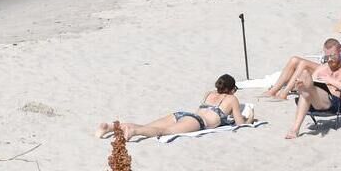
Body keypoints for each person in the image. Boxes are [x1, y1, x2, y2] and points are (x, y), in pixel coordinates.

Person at [97, 74, 247, 141]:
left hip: (183, 114)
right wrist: (249, 118)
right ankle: (134, 132)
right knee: (164, 132)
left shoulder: (209, 93)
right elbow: (240, 123)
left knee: (148, 126)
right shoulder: (232, 99)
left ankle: (110, 127)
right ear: (231, 89)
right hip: (198, 122)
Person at [264, 11, 341, 98]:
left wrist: (339, 67)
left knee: (303, 64)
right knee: (294, 59)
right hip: (332, 66)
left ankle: (284, 93)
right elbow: (336, 53)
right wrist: (329, 59)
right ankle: (274, 89)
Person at [284, 41, 341, 140]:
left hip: (335, 103)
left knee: (307, 88)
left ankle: (294, 129)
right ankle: (295, 128)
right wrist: (299, 87)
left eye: (332, 56)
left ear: (340, 52)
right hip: (313, 102)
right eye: (327, 56)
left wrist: (331, 80)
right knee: (305, 78)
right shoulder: (322, 69)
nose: (329, 59)